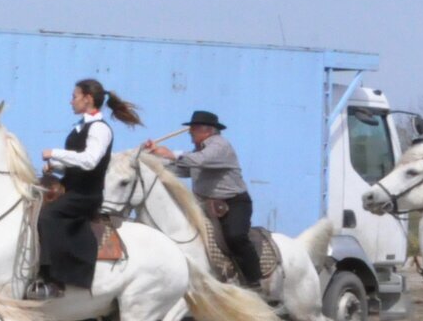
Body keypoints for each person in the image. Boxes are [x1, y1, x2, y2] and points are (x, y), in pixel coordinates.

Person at [35, 78, 141, 296]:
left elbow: (90, 161)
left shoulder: (100, 129)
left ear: (88, 98)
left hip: (86, 195)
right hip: (71, 188)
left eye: (74, 96)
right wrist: (56, 167)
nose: (70, 101)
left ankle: (54, 280)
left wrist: (55, 153)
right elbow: (78, 165)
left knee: (49, 217)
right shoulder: (80, 127)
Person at [143, 109, 262, 285]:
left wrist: (169, 154)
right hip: (204, 205)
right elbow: (182, 169)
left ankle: (254, 281)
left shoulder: (220, 146)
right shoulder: (198, 151)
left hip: (233, 203)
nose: (190, 132)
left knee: (235, 237)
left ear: (208, 130)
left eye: (194, 128)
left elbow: (201, 160)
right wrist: (154, 160)